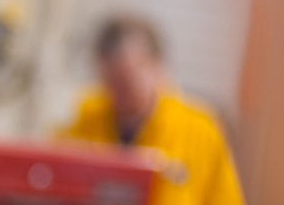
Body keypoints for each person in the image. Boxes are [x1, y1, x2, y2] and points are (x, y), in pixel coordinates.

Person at [60, 14, 244, 205]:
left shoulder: (200, 132)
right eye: (110, 82)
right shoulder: (84, 121)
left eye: (127, 79)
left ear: (157, 67)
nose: (119, 92)